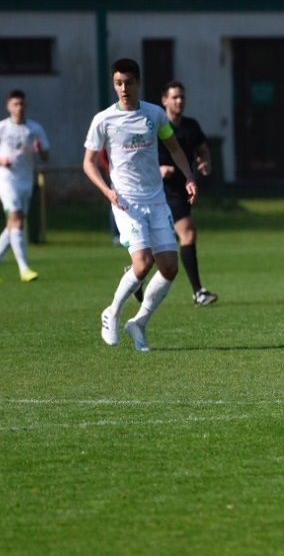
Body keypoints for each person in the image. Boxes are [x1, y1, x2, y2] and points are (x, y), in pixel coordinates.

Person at [82, 58, 198, 352]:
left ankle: (140, 322)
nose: (123, 88)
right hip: (126, 201)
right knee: (143, 262)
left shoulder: (155, 115)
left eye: (128, 82)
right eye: (118, 83)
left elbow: (174, 148)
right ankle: (112, 312)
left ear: (138, 83)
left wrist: (189, 177)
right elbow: (88, 163)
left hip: (157, 200)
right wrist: (108, 191)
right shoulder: (104, 120)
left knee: (170, 267)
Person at [158, 81, 218, 305]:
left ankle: (136, 273)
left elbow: (203, 149)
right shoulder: (156, 126)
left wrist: (205, 163)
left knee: (164, 243)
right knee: (188, 233)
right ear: (165, 100)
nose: (179, 101)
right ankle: (198, 292)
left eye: (182, 97)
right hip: (161, 189)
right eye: (174, 97)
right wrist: (158, 169)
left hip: (183, 188)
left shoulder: (191, 126)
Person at [0, 89, 50, 283]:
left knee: (14, 224)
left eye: (22, 104)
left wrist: (40, 150)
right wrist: (0, 159)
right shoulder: (0, 128)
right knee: (17, 219)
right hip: (7, 180)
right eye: (15, 104)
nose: (19, 108)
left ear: (26, 106)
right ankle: (24, 268)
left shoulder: (34, 129)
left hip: (26, 180)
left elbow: (46, 156)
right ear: (8, 106)